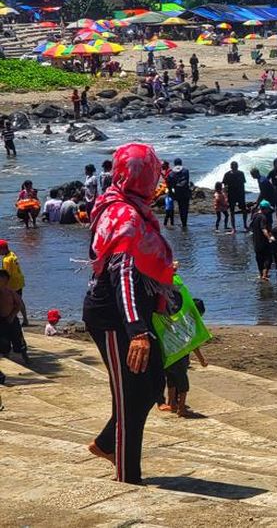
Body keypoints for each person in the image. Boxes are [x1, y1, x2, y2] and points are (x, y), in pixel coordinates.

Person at [82, 142, 173, 485]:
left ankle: (106, 443)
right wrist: (137, 331)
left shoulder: (133, 209)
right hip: (113, 316)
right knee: (130, 397)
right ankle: (128, 477)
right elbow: (121, 271)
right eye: (151, 173)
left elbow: (136, 267)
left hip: (133, 311)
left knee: (152, 385)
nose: (154, 179)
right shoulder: (124, 213)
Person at [0, 270, 28, 363]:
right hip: (1, 320)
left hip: (12, 318)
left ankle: (24, 356)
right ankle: (6, 356)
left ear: (6, 281)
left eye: (2, 279)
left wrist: (12, 315)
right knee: (4, 342)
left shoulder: (10, 292)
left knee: (18, 339)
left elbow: (19, 305)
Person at [0, 240, 27, 326]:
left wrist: (4, 286)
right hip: (19, 281)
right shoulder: (12, 254)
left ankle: (11, 317)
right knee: (19, 300)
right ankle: (25, 318)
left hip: (13, 283)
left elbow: (6, 275)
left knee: (13, 301)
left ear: (3, 249)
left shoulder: (6, 260)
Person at [250, 201, 275, 280]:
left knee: (259, 258)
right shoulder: (263, 217)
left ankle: (261, 275)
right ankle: (265, 275)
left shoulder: (254, 215)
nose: (268, 211)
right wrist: (269, 238)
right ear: (265, 209)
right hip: (263, 241)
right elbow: (263, 229)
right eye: (268, 209)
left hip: (255, 241)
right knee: (269, 258)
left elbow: (251, 227)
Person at [222, 161, 249, 231]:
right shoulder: (227, 174)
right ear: (231, 167)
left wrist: (243, 194)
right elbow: (225, 186)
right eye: (233, 166)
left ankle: (245, 225)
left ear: (237, 166)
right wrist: (225, 196)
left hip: (240, 194)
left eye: (235, 166)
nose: (234, 167)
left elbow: (243, 184)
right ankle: (233, 228)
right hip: (231, 194)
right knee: (232, 211)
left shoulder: (241, 173)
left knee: (244, 210)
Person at [166, 158, 192, 229]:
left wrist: (171, 193)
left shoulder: (171, 173)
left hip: (177, 193)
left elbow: (168, 184)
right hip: (186, 192)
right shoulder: (186, 171)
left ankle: (183, 223)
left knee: (180, 207)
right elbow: (187, 181)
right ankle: (185, 223)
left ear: (174, 164)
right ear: (181, 163)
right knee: (185, 208)